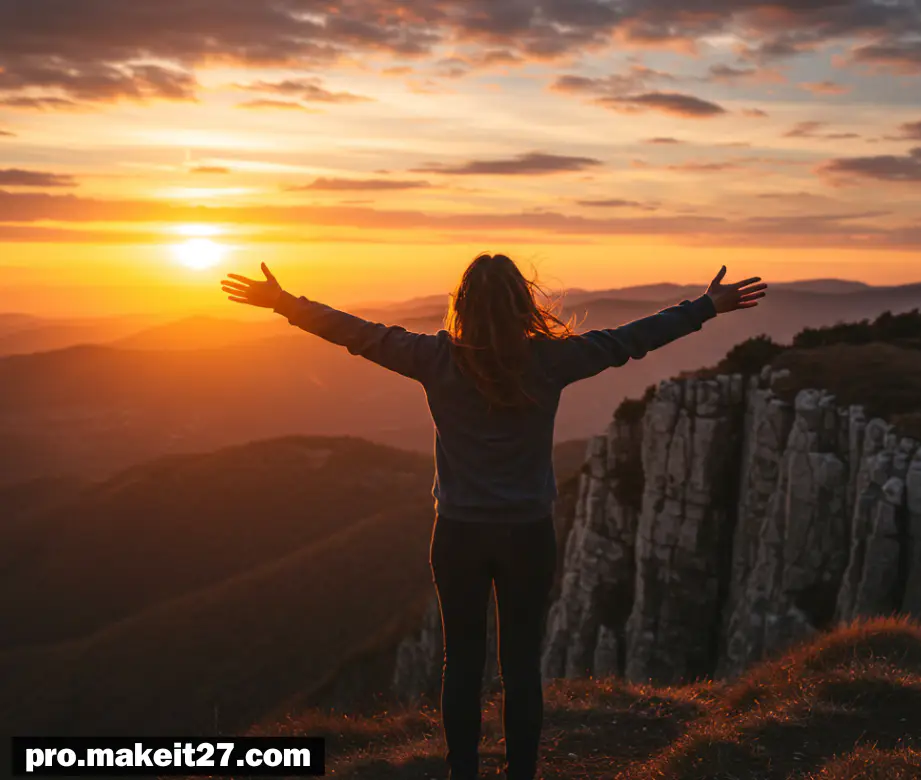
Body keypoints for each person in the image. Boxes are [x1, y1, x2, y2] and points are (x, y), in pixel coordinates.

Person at [220, 254, 766, 780]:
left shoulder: (434, 358)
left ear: (461, 304)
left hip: (457, 534)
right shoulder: (551, 360)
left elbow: (357, 333)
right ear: (521, 304)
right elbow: (631, 340)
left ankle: (464, 774)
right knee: (522, 667)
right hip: (527, 535)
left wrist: (283, 302)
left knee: (461, 664)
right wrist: (705, 306)